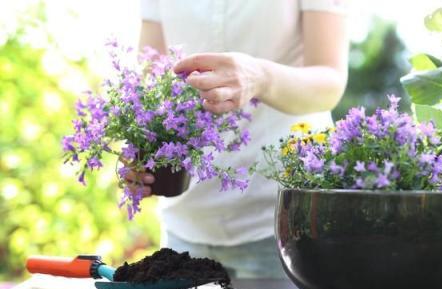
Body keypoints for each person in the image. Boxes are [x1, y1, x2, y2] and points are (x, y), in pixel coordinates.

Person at [127, 0, 350, 279]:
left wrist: (261, 77)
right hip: (185, 224)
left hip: (281, 226)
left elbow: (330, 82)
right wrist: (139, 152)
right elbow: (150, 78)